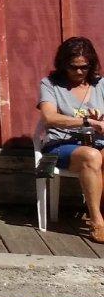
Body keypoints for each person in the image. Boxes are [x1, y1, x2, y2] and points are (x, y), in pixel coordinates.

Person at [39, 35, 104, 241]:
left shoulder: (100, 84)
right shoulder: (50, 84)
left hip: (97, 141)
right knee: (92, 156)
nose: (78, 71)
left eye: (84, 67)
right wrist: (86, 122)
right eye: (73, 66)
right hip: (61, 144)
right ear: (63, 64)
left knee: (97, 153)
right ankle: (97, 221)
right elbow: (49, 117)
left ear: (91, 65)